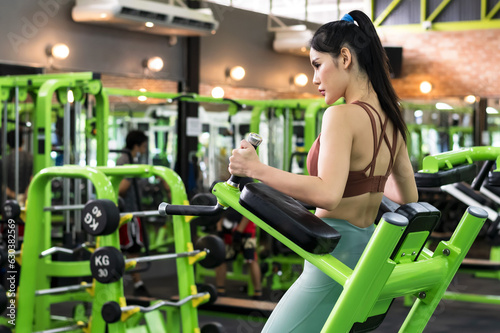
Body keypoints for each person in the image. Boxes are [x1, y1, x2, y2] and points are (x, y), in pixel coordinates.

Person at [228, 10, 418, 332]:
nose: (314, 78)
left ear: (345, 58)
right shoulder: (392, 119)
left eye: (317, 65)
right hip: (367, 251)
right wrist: (365, 182)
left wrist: (256, 168)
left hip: (334, 250)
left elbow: (327, 194)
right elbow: (406, 197)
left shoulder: (340, 116)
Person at [214, 178, 262, 300]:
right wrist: (219, 228)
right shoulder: (229, 182)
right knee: (221, 258)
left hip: (246, 229)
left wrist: (239, 232)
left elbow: (249, 211)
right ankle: (220, 289)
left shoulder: (248, 183)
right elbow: (221, 207)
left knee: (251, 259)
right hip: (229, 227)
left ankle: (257, 292)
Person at [116, 130, 150, 297]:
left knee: (131, 249)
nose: (145, 149)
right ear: (136, 145)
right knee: (131, 249)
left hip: (131, 210)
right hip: (128, 212)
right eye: (143, 145)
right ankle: (137, 283)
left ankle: (136, 283)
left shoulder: (128, 159)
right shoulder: (126, 160)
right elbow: (122, 188)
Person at [4, 129, 33, 205]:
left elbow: (2, 185)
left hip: (8, 202)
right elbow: (32, 180)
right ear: (23, 141)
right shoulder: (31, 158)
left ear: (8, 143)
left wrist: (15, 196)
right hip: (28, 201)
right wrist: (24, 197)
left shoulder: (4, 160)